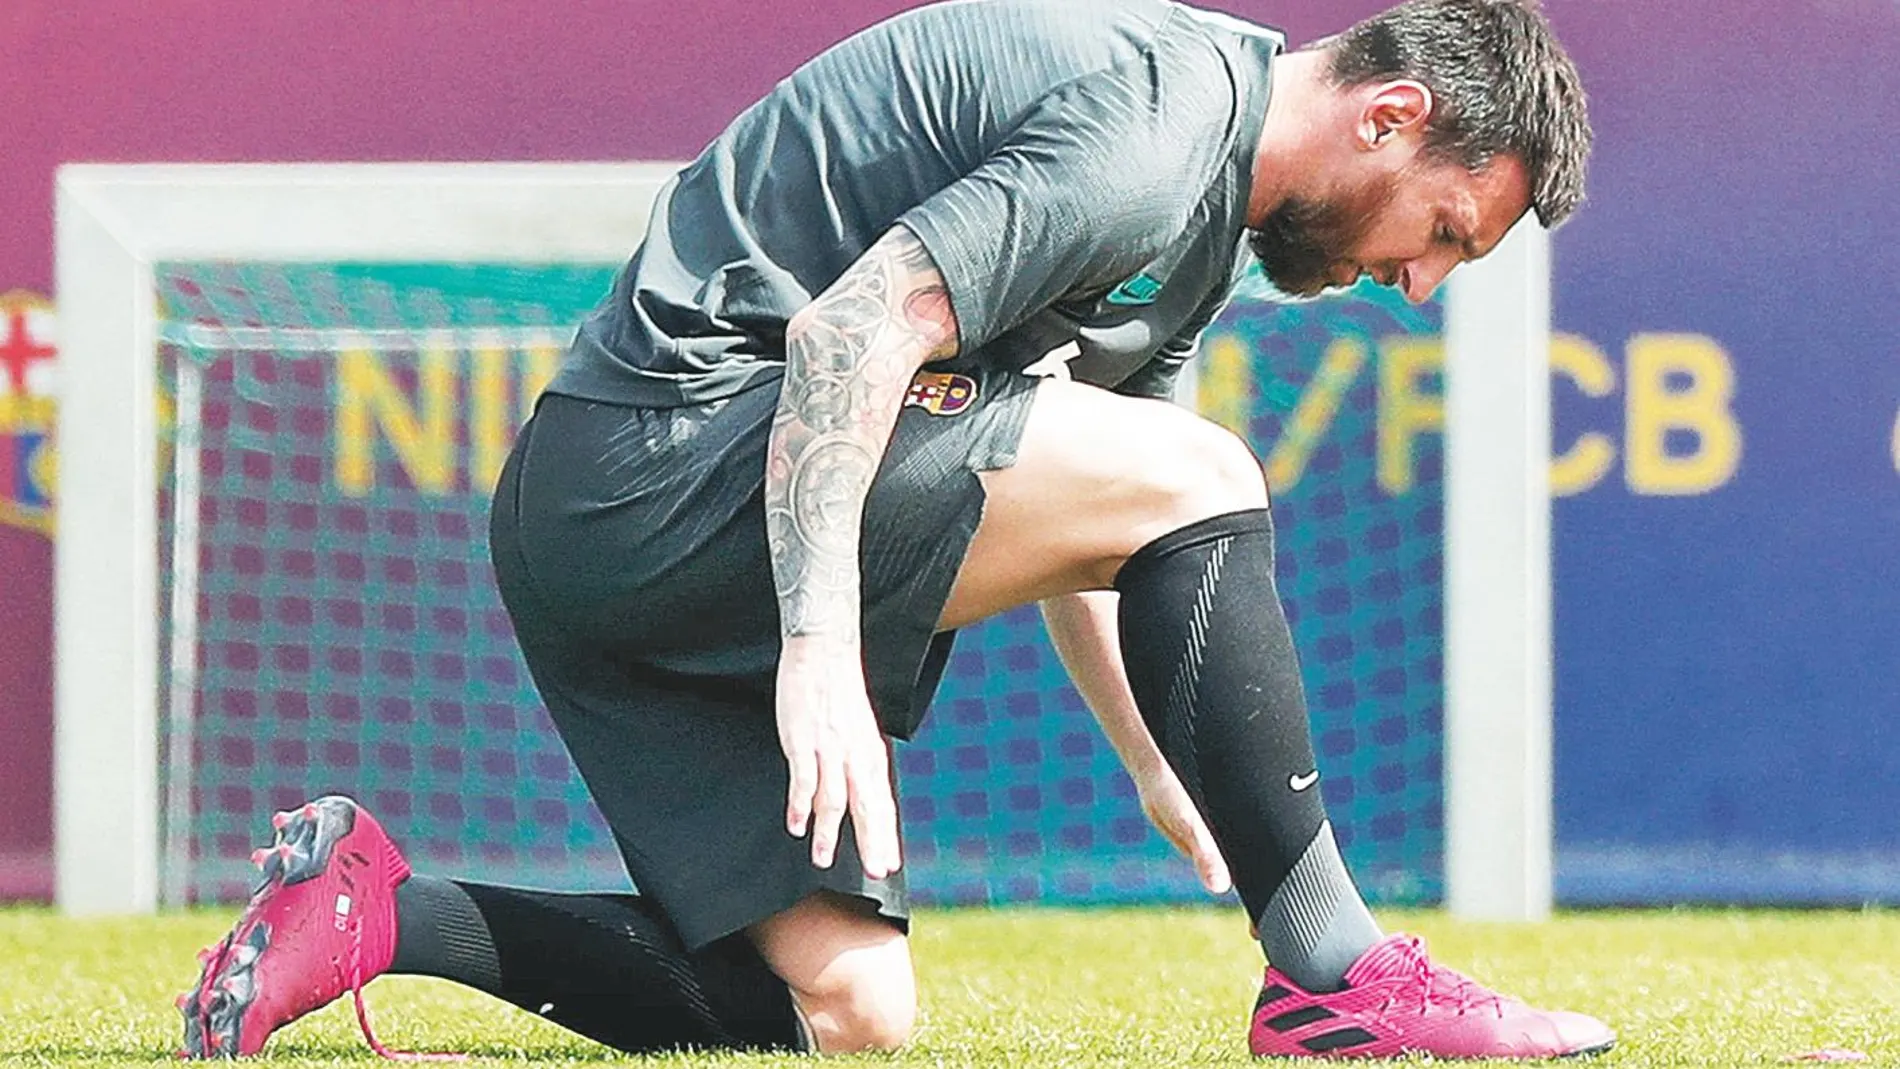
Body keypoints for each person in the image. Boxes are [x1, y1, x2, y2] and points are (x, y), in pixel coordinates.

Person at [180, 0, 1609, 1059]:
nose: (1418, 283)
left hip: (610, 536)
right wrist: (815, 647)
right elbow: (850, 330)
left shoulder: (1202, 225)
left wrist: (1167, 772)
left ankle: (382, 913)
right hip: (659, 468)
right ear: (1393, 117)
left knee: (849, 1007)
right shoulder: (1154, 128)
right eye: (1444, 233)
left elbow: (1113, 521)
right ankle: (1333, 978)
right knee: (1203, 465)